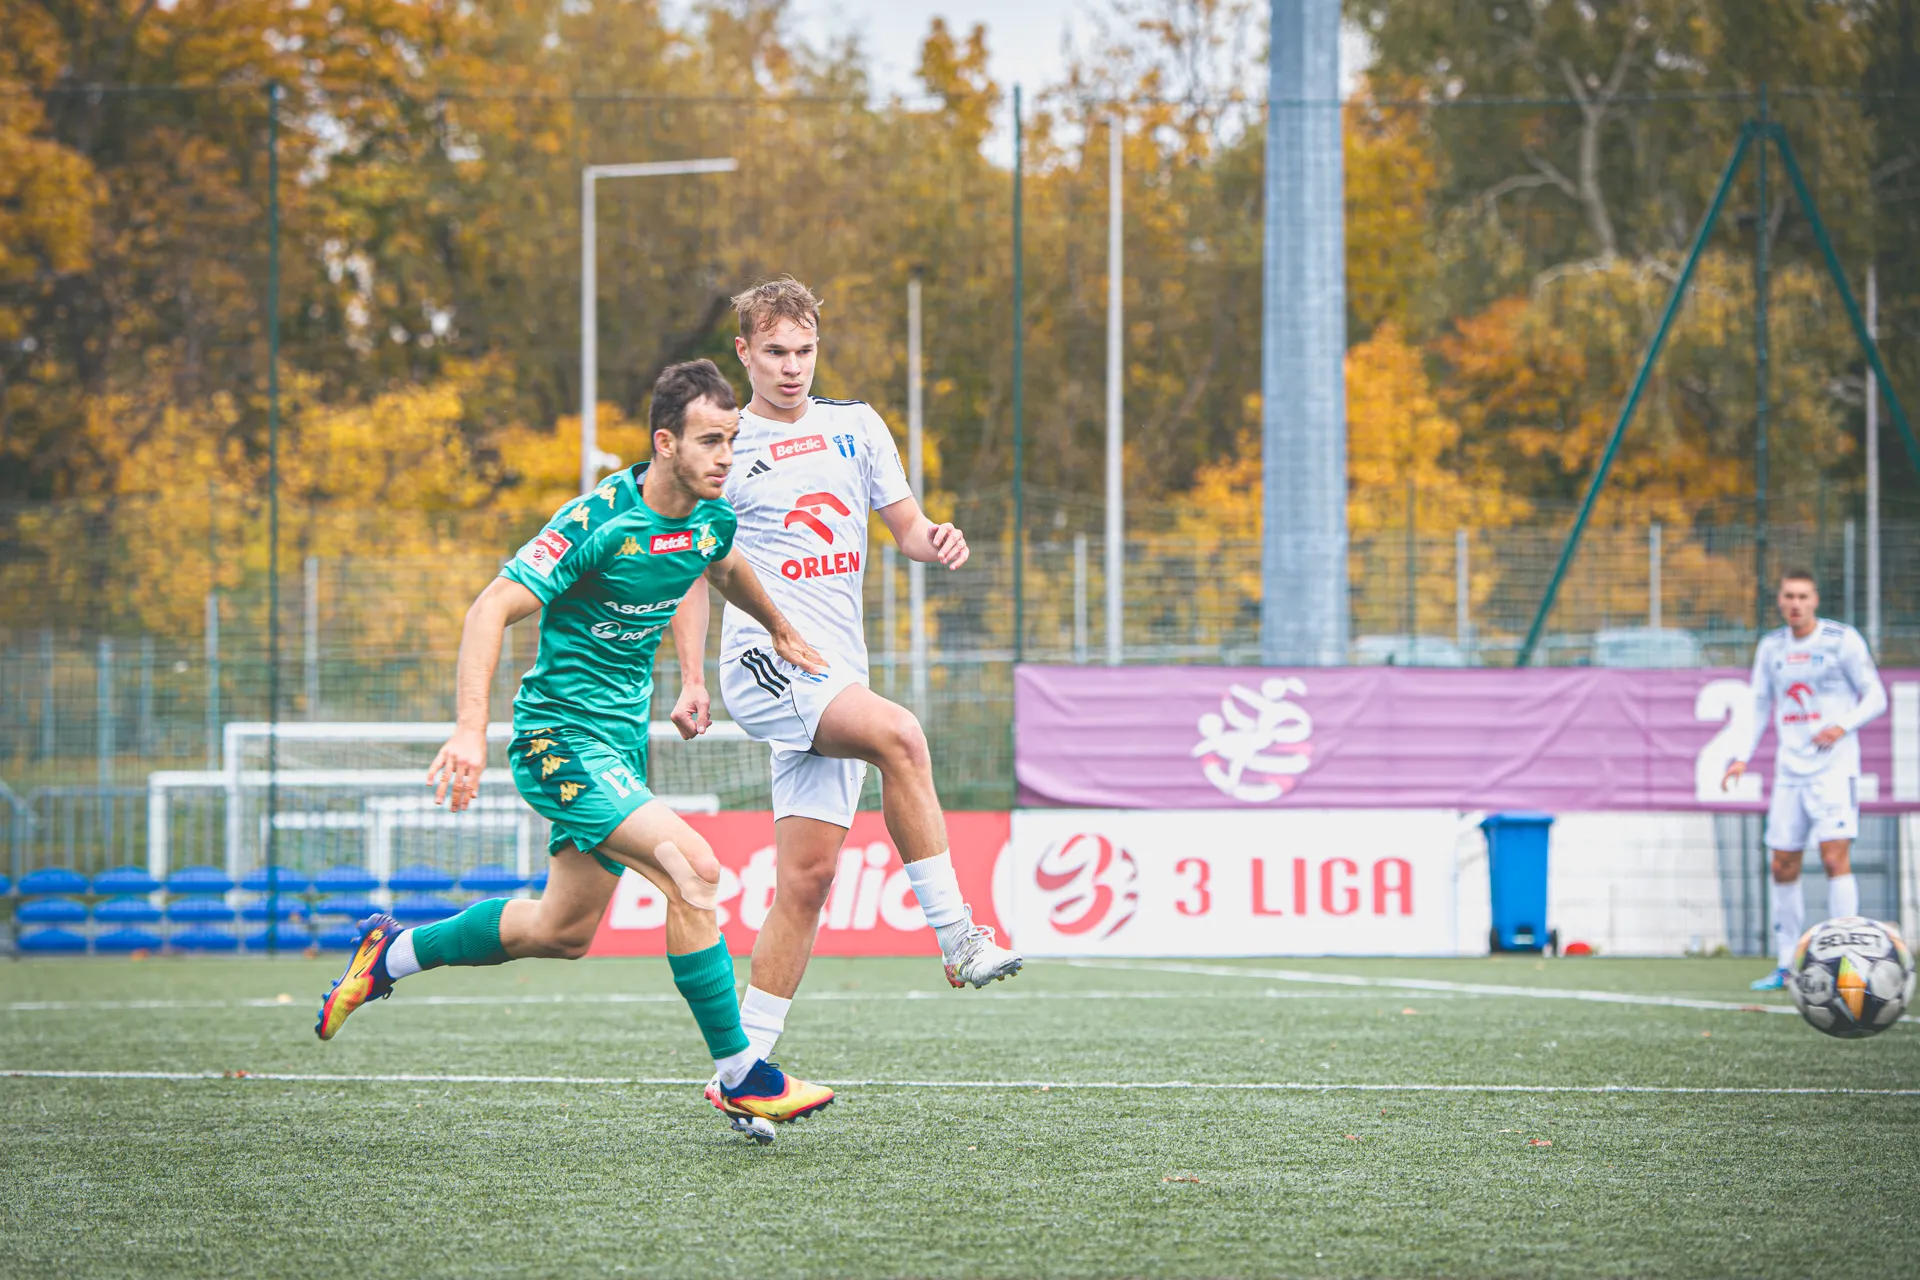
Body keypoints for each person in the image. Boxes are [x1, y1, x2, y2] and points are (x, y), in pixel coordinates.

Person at [315, 358, 836, 1134]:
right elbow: (489, 609)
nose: (726, 456)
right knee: (693, 869)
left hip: (620, 749)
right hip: (556, 739)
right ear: (665, 443)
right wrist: (469, 729)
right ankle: (741, 1076)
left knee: (561, 931)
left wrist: (774, 633)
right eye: (709, 441)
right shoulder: (598, 523)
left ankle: (389, 954)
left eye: (731, 440)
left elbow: (719, 566)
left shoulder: (710, 517)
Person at [669, 278, 1022, 1083]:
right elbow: (692, 568)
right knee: (901, 734)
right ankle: (958, 937)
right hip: (766, 663)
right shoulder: (726, 446)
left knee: (808, 881)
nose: (792, 367)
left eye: (805, 350)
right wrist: (692, 678)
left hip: (836, 672)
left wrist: (936, 539)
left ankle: (742, 1074)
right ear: (744, 353)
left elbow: (907, 528)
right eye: (775, 352)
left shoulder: (857, 426)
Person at [1722, 570, 1888, 991]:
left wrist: (1842, 725)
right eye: (1789, 596)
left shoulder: (1841, 640)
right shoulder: (1772, 648)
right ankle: (1786, 965)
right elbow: (1759, 704)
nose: (1795, 603)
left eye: (1803, 596)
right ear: (1780, 602)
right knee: (1782, 864)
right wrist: (1741, 757)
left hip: (1833, 769)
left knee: (1834, 858)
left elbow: (1876, 696)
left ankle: (1849, 961)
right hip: (1789, 772)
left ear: (1815, 600)